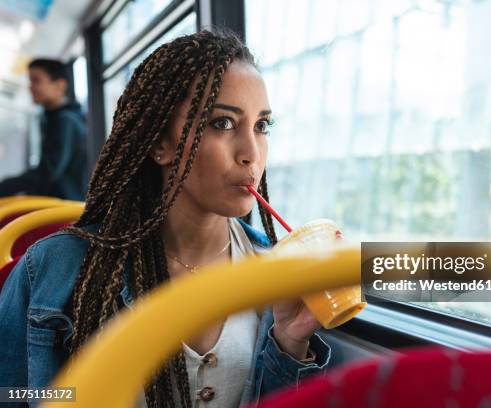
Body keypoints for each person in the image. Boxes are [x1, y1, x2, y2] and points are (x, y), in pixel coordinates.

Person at [0, 30, 331, 407]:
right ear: (160, 144)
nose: (251, 153)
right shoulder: (49, 270)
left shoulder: (276, 273)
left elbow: (409, 266)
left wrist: (290, 342)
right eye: (223, 124)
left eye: (262, 126)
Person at [0, 58, 87, 200]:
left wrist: (5, 187)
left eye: (36, 80)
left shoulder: (65, 120)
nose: (31, 87)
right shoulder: (54, 118)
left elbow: (48, 172)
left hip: (65, 208)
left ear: (60, 85)